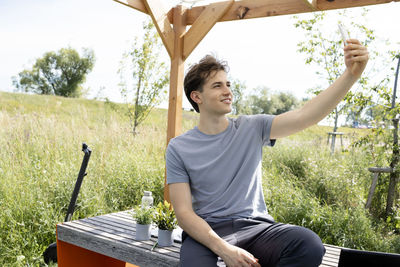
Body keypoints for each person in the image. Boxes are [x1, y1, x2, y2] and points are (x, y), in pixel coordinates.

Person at [166, 39, 369, 267]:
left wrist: (350, 75)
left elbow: (306, 115)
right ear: (197, 97)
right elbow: (183, 213)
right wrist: (224, 249)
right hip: (207, 233)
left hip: (257, 228)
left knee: (308, 244)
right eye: (217, 86)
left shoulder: (252, 127)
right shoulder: (178, 147)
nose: (228, 91)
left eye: (228, 84)